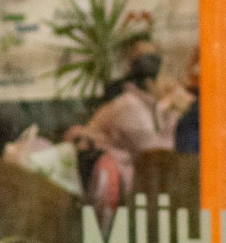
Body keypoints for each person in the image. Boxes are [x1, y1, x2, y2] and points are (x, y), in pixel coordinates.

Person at [66, 51, 190, 210]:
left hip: (126, 174)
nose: (172, 83)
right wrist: (174, 112)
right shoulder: (130, 107)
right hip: (111, 180)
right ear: (150, 83)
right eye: (166, 76)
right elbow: (155, 154)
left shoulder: (145, 103)